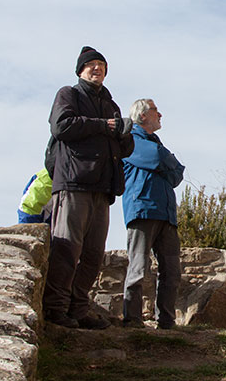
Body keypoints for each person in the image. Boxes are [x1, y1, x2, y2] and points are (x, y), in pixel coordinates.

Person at [42, 46, 134, 329]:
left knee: (94, 255)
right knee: (67, 249)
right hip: (73, 184)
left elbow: (125, 146)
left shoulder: (110, 103)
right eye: (91, 65)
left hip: (102, 188)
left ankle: (79, 309)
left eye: (102, 66)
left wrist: (122, 132)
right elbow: (61, 126)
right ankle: (56, 310)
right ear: (80, 70)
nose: (97, 69)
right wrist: (104, 126)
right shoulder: (68, 94)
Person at [121, 98, 185, 329]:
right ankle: (133, 320)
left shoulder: (155, 143)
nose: (160, 115)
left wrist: (167, 164)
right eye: (155, 110)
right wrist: (167, 162)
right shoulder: (130, 141)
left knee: (172, 271)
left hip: (166, 214)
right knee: (138, 268)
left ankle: (166, 321)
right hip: (142, 210)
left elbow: (178, 174)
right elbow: (159, 158)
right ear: (143, 115)